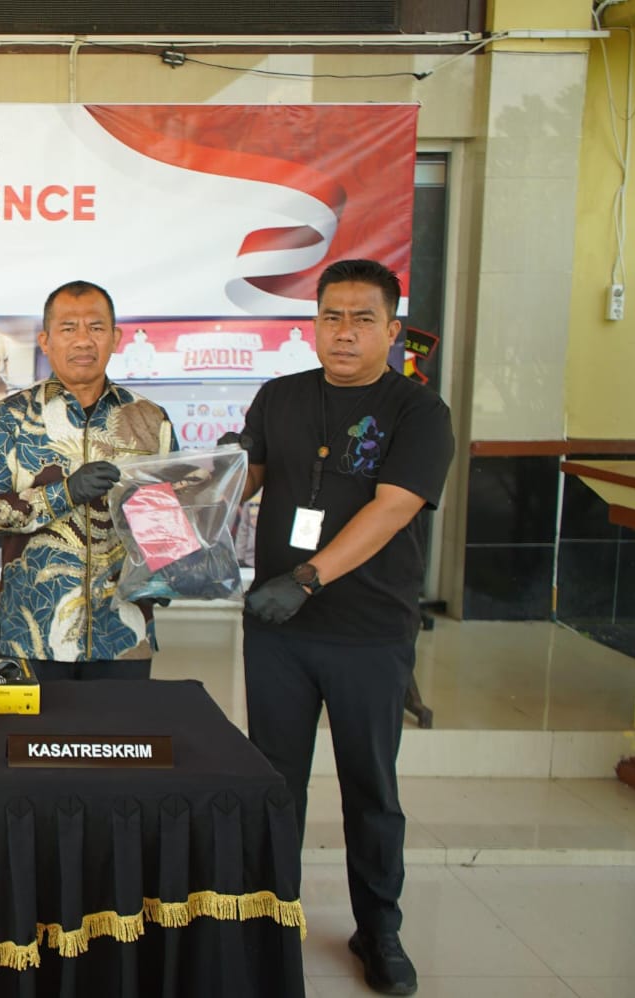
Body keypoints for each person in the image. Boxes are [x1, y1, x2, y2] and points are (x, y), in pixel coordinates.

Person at [237, 258, 453, 996]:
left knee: (370, 785)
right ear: (314, 325)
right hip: (278, 630)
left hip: (369, 629)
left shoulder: (419, 411)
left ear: (392, 330)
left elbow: (393, 507)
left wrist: (307, 578)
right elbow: (244, 477)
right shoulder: (280, 395)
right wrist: (185, 499)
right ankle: (271, 918)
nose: (346, 332)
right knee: (275, 782)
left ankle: (379, 928)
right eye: (332, 317)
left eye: (364, 319)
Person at [0, 280, 176, 679]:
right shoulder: (10, 417)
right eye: (68, 328)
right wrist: (65, 493)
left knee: (126, 723)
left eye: (96, 328)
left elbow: (168, 520)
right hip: (32, 632)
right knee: (30, 725)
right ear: (45, 341)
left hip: (125, 633)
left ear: (115, 338)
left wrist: (166, 576)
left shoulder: (151, 419)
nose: (83, 340)